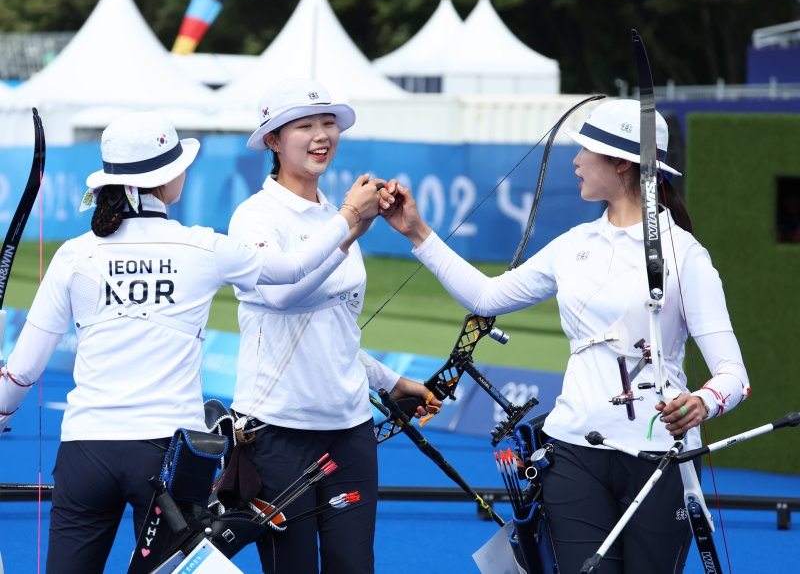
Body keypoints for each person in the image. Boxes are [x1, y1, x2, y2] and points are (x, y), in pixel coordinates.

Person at [0, 110, 384, 574]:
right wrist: (347, 219)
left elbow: (22, 370)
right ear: (168, 180)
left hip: (87, 452)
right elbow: (288, 270)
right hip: (170, 457)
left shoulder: (75, 254)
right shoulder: (202, 246)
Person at [381, 99, 750, 573]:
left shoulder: (687, 256)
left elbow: (734, 376)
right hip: (571, 449)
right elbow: (486, 298)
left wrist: (702, 401)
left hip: (658, 459)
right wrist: (417, 232)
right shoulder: (574, 245)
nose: (575, 162)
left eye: (586, 152)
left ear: (620, 163)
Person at [228, 78, 440, 574]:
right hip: (276, 430)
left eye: (329, 124)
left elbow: (337, 331)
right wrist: (346, 226)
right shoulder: (254, 217)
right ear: (274, 141)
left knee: (353, 565)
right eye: (305, 126)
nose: (322, 135)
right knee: (291, 567)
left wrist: (393, 381)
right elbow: (282, 295)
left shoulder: (335, 218)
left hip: (349, 430)